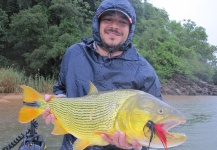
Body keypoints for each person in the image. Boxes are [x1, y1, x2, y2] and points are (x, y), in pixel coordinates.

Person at [42, 0, 162, 149]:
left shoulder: (145, 72)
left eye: (122, 22)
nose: (114, 26)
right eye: (108, 19)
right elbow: (61, 89)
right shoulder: (74, 53)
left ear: (130, 28)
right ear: (97, 22)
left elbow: (153, 134)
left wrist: (135, 147)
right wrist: (58, 105)